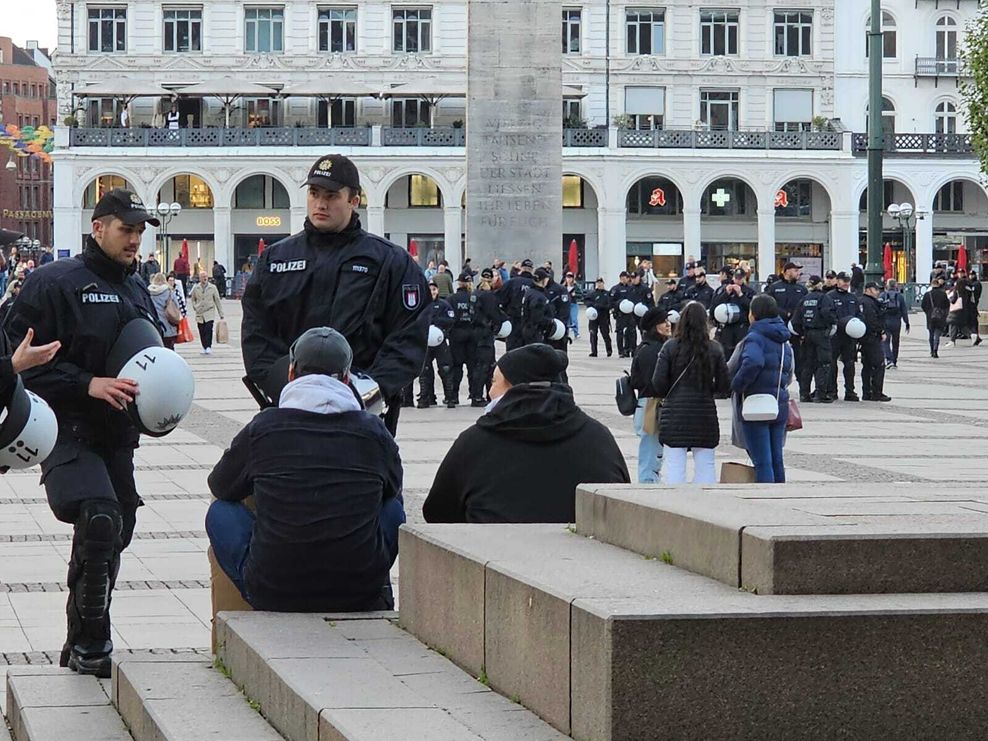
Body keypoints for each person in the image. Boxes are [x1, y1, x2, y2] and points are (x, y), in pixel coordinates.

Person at [3, 188, 163, 677]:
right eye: (125, 228)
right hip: (65, 429)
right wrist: (87, 383)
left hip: (117, 436)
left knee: (115, 531)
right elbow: (15, 367)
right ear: (98, 228)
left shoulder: (137, 288)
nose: (134, 238)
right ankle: (95, 644)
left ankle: (77, 638)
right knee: (99, 516)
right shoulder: (54, 283)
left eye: (139, 230)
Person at [206, 327, 405, 611]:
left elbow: (221, 485)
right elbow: (393, 489)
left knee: (221, 511)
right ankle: (376, 585)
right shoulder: (373, 431)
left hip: (273, 591)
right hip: (359, 590)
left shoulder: (264, 428)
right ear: (347, 379)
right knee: (393, 506)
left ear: (291, 373)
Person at [241, 154, 429, 435]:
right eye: (314, 193)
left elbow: (408, 338)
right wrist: (292, 387)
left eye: (331, 195)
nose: (321, 204)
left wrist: (363, 390)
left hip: (361, 415)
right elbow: (257, 336)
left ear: (354, 200)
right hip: (289, 411)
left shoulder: (390, 262)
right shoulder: (274, 260)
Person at [423, 344, 629, 523]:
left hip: (493, 556)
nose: (489, 392)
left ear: (512, 387)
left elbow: (438, 512)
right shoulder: (598, 438)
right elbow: (622, 503)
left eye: (494, 382)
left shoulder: (475, 443)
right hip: (586, 562)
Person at [651, 301, 730, 484]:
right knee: (706, 467)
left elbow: (658, 384)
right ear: (705, 323)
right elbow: (725, 385)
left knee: (674, 468)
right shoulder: (714, 348)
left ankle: (675, 507)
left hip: (675, 415)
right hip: (705, 415)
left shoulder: (670, 347)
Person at [731, 295, 793, 484]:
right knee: (776, 459)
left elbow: (753, 362)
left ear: (754, 314)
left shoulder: (755, 337)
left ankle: (767, 497)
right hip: (778, 402)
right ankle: (781, 494)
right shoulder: (784, 340)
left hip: (755, 404)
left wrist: (737, 385)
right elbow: (789, 371)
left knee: (762, 461)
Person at [630, 307, 671, 483]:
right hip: (651, 404)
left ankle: (651, 479)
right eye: (664, 321)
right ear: (654, 326)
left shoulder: (653, 347)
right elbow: (650, 381)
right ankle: (648, 483)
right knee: (650, 448)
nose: (668, 324)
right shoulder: (651, 350)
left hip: (650, 403)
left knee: (655, 448)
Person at [791, 275, 836, 403]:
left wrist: (802, 333)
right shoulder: (824, 298)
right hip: (821, 333)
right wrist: (833, 322)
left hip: (807, 334)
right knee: (824, 363)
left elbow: (795, 320)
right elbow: (827, 313)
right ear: (820, 284)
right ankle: (820, 393)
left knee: (807, 364)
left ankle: (804, 394)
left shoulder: (804, 299)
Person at [765, 262, 807, 397]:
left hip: (796, 330)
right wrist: (784, 313)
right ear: (787, 271)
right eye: (795, 270)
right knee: (777, 361)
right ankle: (775, 389)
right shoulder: (775, 288)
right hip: (778, 329)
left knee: (800, 361)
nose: (798, 273)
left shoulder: (801, 289)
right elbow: (768, 305)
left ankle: (804, 390)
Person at [418, 282, 455, 408]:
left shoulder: (444, 305)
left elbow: (451, 320)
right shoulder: (421, 305)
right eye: (430, 289)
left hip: (440, 341)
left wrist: (436, 322)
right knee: (425, 370)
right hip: (425, 342)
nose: (432, 292)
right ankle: (425, 398)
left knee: (445, 369)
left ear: (437, 291)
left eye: (434, 289)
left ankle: (450, 398)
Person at [474, 269, 507, 403]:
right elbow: (496, 315)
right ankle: (480, 396)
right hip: (485, 334)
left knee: (478, 366)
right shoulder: (489, 296)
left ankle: (476, 394)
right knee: (486, 366)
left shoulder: (475, 293)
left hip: (475, 334)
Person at [447, 272, 480, 408]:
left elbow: (449, 317)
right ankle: (474, 395)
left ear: (459, 283)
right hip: (472, 334)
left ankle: (454, 396)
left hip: (457, 334)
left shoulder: (452, 298)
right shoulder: (474, 297)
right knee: (473, 367)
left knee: (456, 367)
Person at [828, 272, 862, 401]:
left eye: (848, 281)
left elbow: (859, 314)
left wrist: (858, 323)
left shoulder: (853, 298)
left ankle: (850, 391)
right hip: (835, 335)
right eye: (843, 280)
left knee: (849, 364)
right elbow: (827, 313)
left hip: (850, 336)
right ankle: (832, 390)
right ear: (837, 281)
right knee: (832, 364)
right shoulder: (830, 297)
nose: (846, 283)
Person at [710, 268, 755, 360]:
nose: (738, 281)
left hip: (741, 327)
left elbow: (751, 307)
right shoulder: (723, 289)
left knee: (740, 353)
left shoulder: (749, 292)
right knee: (725, 354)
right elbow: (715, 305)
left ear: (744, 278)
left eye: (740, 278)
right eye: (736, 278)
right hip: (726, 327)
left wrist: (741, 295)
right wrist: (726, 293)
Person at [860, 282, 891, 402]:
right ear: (867, 290)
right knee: (878, 364)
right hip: (872, 337)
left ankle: (867, 391)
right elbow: (871, 320)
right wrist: (881, 331)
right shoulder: (868, 303)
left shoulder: (865, 301)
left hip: (865, 337)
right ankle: (876, 392)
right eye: (875, 289)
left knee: (867, 366)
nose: (877, 291)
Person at [497, 259, 535, 351]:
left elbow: (499, 299)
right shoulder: (535, 284)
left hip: (513, 322)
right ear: (532, 269)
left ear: (521, 268)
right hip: (531, 324)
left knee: (513, 353)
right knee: (530, 353)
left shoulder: (512, 282)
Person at [519, 267, 556, 347]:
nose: (547, 281)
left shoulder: (529, 292)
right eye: (546, 279)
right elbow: (537, 318)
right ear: (542, 280)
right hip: (535, 331)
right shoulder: (538, 296)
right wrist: (550, 321)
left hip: (526, 329)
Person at [191, 270, 224, 355]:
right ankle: (204, 346)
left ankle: (208, 346)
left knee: (208, 329)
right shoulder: (196, 288)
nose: (205, 278)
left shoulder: (212, 287)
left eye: (206, 276)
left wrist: (221, 314)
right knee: (201, 330)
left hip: (209, 312)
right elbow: (193, 299)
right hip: (199, 312)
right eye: (203, 277)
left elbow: (217, 300)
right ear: (200, 278)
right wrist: (195, 307)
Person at [879, 279, 910, 369]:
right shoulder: (900, 296)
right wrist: (907, 322)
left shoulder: (883, 295)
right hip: (896, 322)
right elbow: (904, 310)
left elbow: (879, 309)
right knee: (895, 342)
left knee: (886, 341)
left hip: (886, 321)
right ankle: (894, 360)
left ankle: (889, 360)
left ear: (887, 285)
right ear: (895, 286)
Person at [147, 273, 180, 349]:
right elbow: (176, 305)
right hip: (168, 324)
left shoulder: (149, 292)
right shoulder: (169, 291)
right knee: (169, 346)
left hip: (154, 324)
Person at [921, 275, 950, 358]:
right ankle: (935, 350)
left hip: (930, 317)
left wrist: (928, 312)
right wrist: (944, 314)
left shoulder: (927, 294)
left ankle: (931, 350)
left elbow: (923, 305)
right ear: (938, 284)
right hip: (940, 317)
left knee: (931, 334)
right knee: (937, 334)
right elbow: (947, 305)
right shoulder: (943, 294)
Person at [584, 278, 612, 357]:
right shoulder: (592, 293)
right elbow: (586, 301)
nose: (599, 284)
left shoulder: (607, 294)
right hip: (593, 317)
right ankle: (594, 351)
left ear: (603, 283)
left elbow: (610, 304)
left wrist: (602, 306)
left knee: (605, 334)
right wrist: (593, 305)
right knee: (593, 334)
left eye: (601, 283)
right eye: (598, 283)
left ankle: (609, 350)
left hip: (603, 316)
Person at [609, 271, 634, 357]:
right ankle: (621, 351)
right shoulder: (615, 289)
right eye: (622, 278)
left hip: (630, 314)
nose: (624, 280)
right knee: (620, 332)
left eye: (626, 278)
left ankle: (628, 349)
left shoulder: (631, 288)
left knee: (630, 331)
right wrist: (616, 307)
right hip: (620, 314)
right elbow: (611, 301)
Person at [562, 272, 582, 338]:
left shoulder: (576, 286)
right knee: (567, 319)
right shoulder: (563, 287)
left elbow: (581, 294)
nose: (569, 279)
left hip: (573, 304)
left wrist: (575, 295)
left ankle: (576, 333)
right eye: (568, 277)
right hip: (565, 305)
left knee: (574, 319)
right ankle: (566, 333)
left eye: (570, 277)